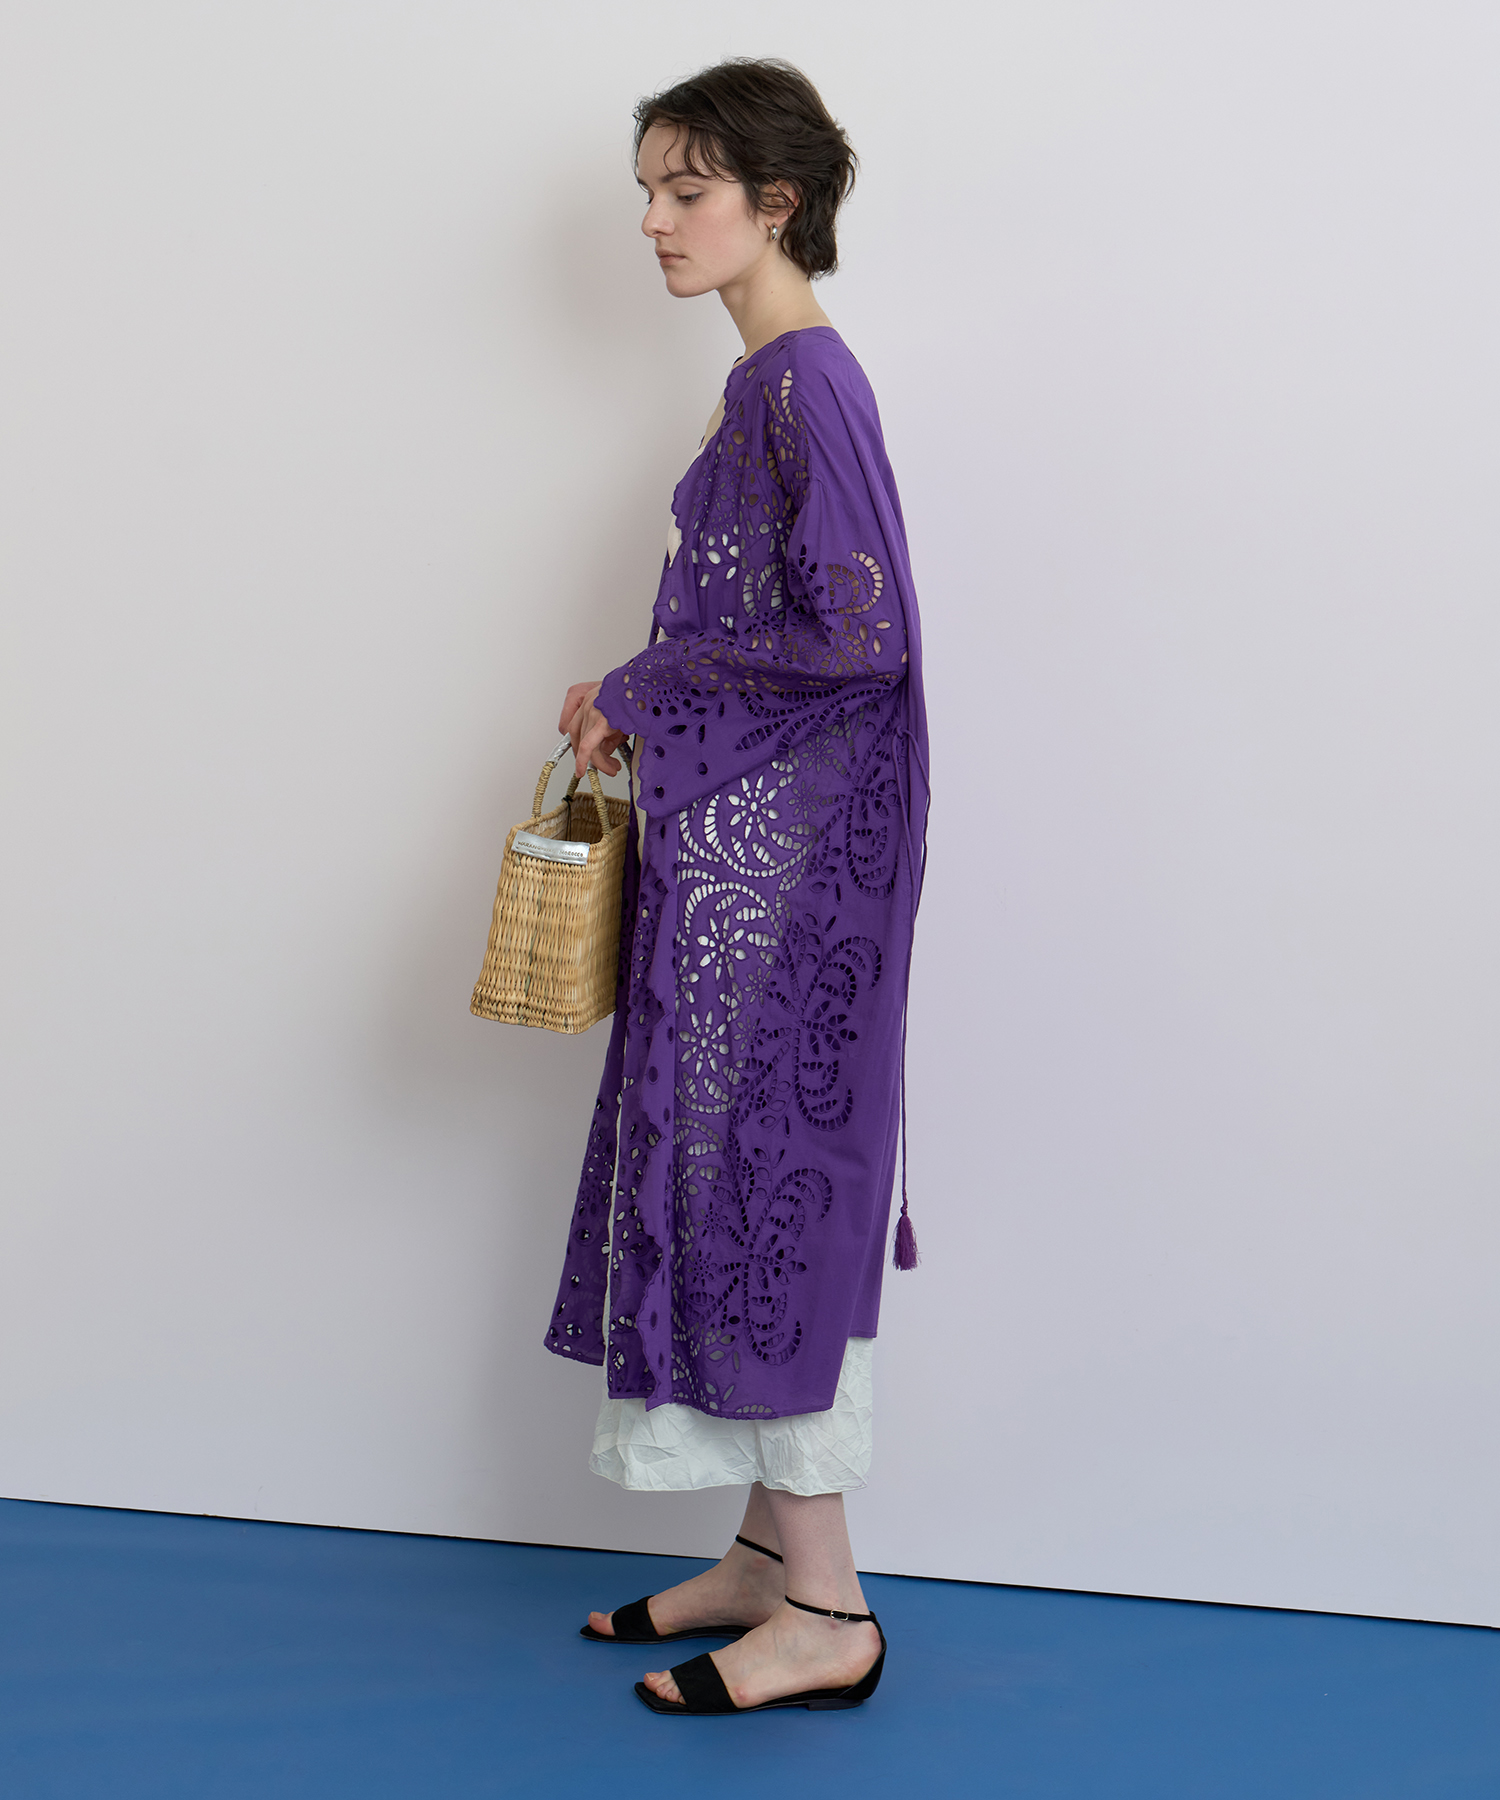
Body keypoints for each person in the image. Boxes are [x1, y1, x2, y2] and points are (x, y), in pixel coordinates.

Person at [551, 57, 930, 1717]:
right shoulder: (764, 379)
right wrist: (640, 685)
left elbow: (861, 636)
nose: (654, 220)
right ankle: (766, 1562)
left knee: (762, 1192)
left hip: (788, 887)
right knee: (721, 1182)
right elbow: (783, 622)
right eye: (646, 188)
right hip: (746, 867)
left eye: (687, 189)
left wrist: (653, 685)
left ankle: (831, 1614)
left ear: (776, 204)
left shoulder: (803, 384)